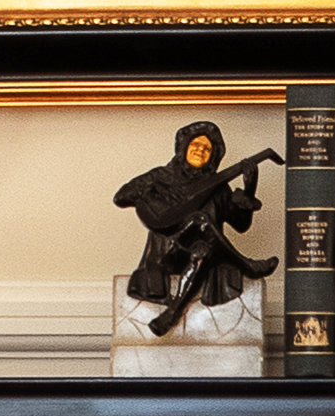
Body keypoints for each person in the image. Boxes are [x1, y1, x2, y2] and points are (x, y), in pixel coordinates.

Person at [112, 120, 276, 331]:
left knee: (202, 249)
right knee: (200, 220)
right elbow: (121, 197)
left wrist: (249, 188)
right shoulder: (161, 176)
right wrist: (153, 195)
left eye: (207, 148)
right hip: (167, 253)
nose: (200, 151)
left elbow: (241, 225)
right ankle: (246, 265)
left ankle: (172, 314)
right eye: (195, 145)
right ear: (184, 148)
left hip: (202, 255)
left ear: (213, 156)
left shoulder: (217, 187)